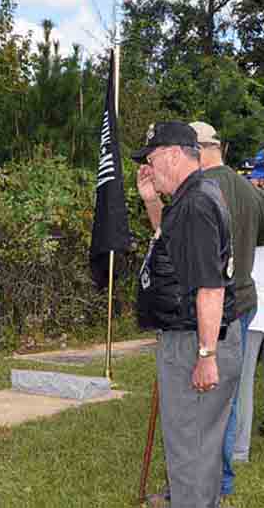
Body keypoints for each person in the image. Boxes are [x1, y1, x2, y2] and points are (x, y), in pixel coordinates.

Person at [134, 121, 242, 508]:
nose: (147, 166)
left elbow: (210, 286)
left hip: (195, 339)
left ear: (174, 154)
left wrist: (206, 356)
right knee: (199, 451)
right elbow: (178, 245)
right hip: (195, 336)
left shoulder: (195, 202)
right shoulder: (193, 196)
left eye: (151, 158)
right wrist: (150, 200)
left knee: (190, 453)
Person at [190, 122, 264, 496]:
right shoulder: (249, 192)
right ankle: (221, 477)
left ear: (200, 149)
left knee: (211, 394)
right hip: (246, 298)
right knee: (230, 391)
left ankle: (217, 481)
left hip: (220, 303)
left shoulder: (203, 188)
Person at [233, 151, 264, 462]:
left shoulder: (253, 204)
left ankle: (239, 448)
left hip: (254, 307)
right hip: (255, 306)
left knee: (242, 380)